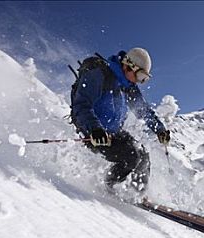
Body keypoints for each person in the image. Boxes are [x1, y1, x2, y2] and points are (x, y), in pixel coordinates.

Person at [70, 48, 171, 193]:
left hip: (114, 133)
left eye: (144, 78)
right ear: (128, 66)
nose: (140, 81)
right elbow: (81, 105)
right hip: (94, 134)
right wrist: (94, 129)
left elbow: (144, 111)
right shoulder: (100, 75)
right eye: (141, 75)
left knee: (143, 155)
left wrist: (159, 129)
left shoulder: (128, 87)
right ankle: (108, 186)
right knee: (131, 156)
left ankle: (138, 193)